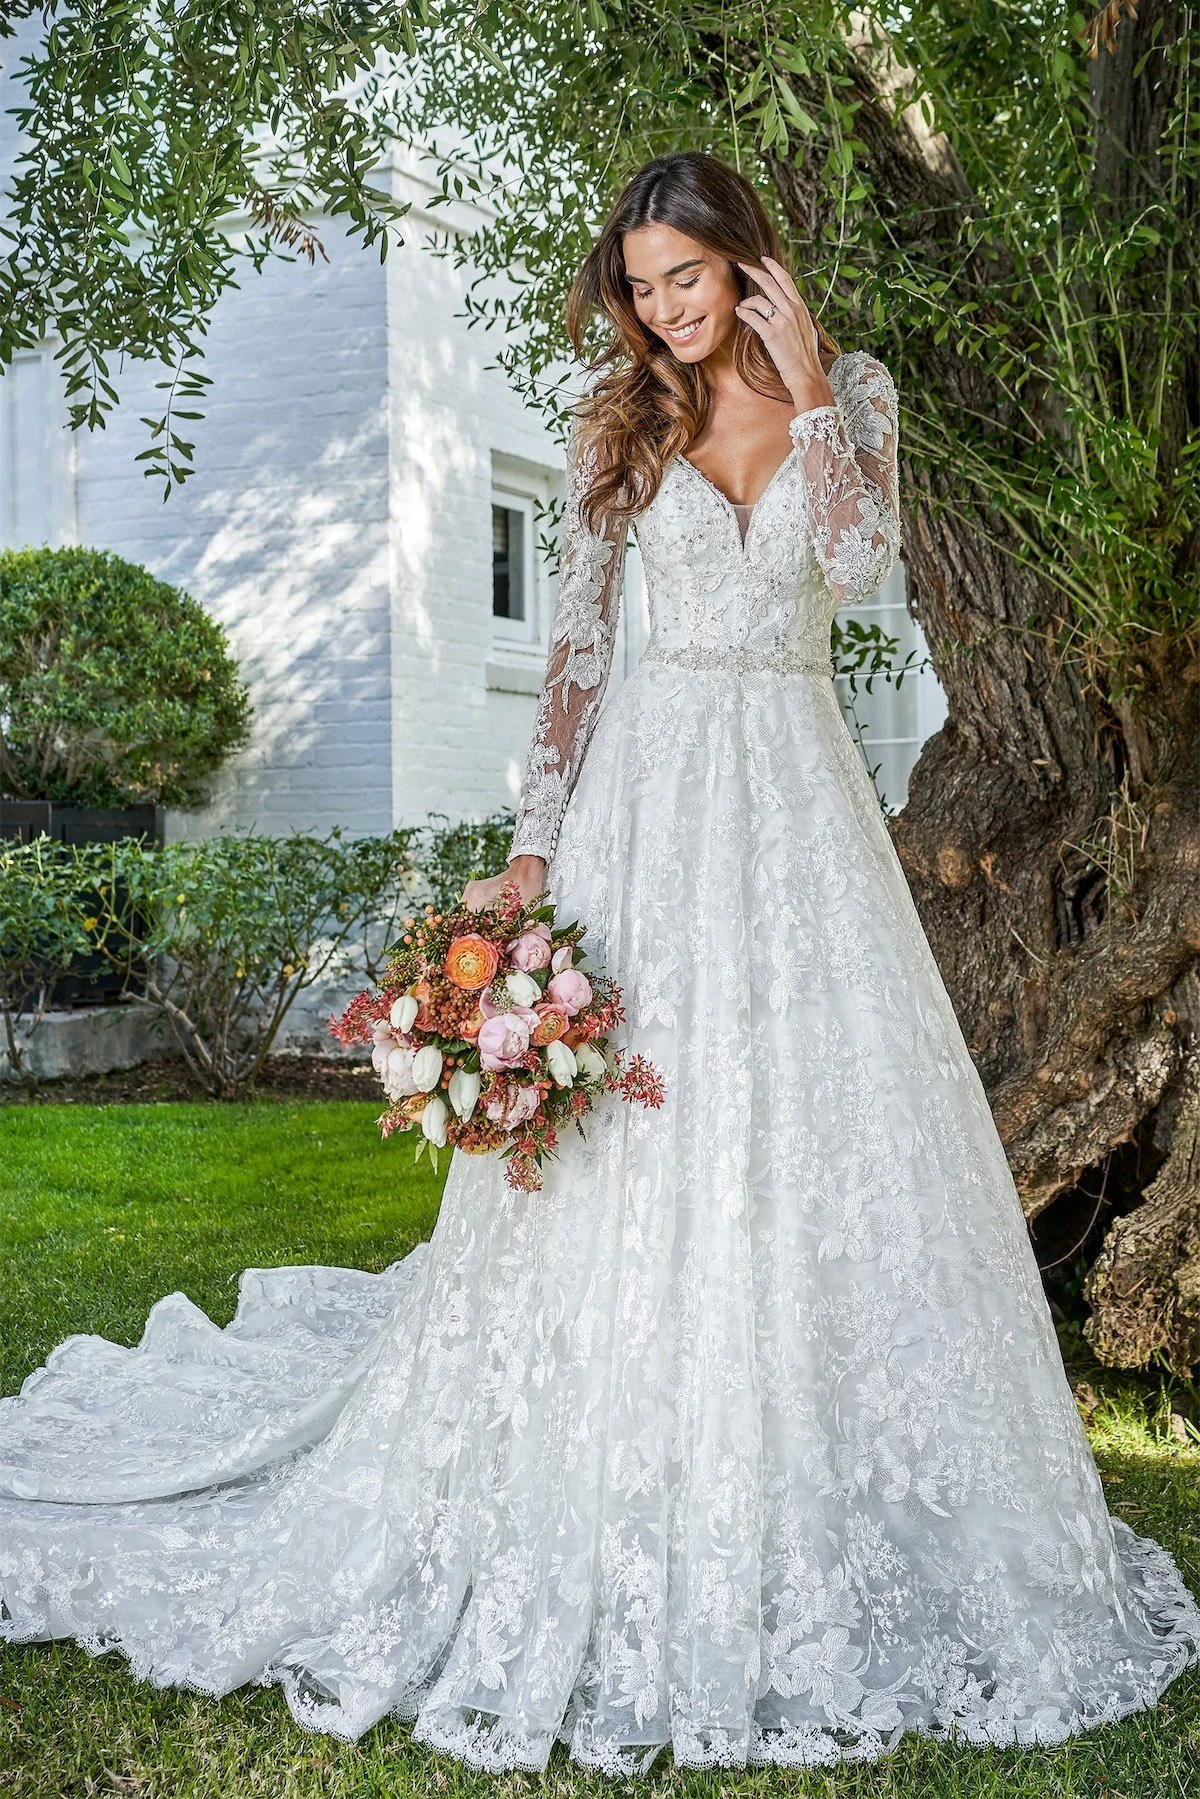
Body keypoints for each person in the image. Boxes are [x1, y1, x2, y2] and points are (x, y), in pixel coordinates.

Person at [2, 151, 1197, 1779]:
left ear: (748, 264)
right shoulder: (611, 417)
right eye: (640, 286)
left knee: (800, 1113)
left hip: (794, 793)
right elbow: (572, 646)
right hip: (648, 796)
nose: (661, 309)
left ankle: (795, 1447)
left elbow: (862, 579)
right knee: (628, 1122)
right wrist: (531, 852)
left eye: (686, 279)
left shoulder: (851, 390)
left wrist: (813, 373)